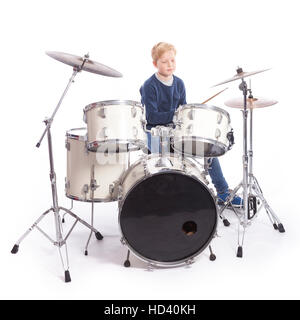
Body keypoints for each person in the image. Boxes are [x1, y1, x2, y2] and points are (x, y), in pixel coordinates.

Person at [139, 42, 242, 207]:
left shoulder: (179, 83)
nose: (169, 65)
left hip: (176, 132)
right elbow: (151, 117)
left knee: (208, 150)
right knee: (165, 161)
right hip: (155, 133)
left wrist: (185, 116)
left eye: (172, 60)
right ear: (155, 63)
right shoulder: (149, 86)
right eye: (164, 61)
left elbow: (183, 111)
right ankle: (166, 199)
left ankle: (222, 193)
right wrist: (174, 115)